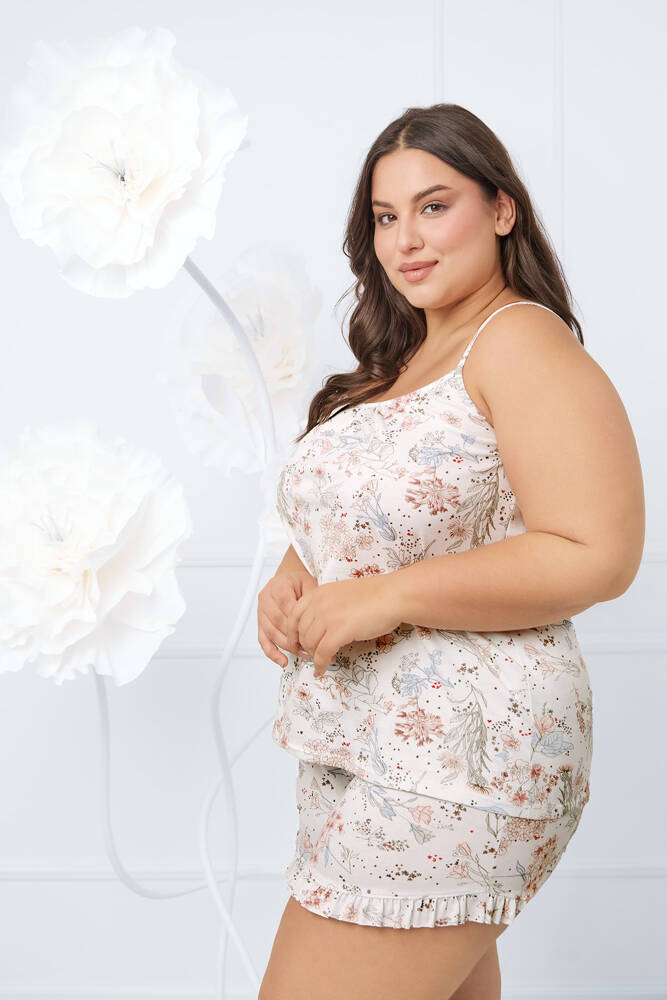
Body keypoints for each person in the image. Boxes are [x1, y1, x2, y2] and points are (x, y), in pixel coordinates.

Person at [256, 103, 645, 1000]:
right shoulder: (396, 365)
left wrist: (387, 596)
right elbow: (386, 515)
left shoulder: (518, 341)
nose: (406, 240)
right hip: (363, 746)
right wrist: (298, 575)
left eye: (434, 207)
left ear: (501, 209)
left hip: (461, 764)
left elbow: (597, 551)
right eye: (384, 217)